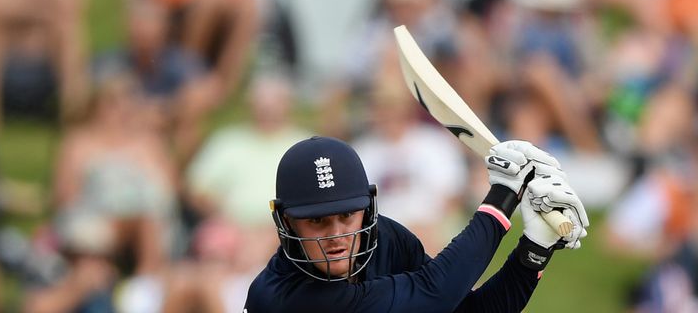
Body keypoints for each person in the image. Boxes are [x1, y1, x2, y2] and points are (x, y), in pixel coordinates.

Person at [244, 136, 589, 312]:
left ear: (367, 207)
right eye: (317, 221)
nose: (337, 236)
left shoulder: (384, 239)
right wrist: (503, 196)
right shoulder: (281, 299)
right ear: (286, 222)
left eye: (347, 215)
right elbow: (434, 295)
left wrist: (535, 250)